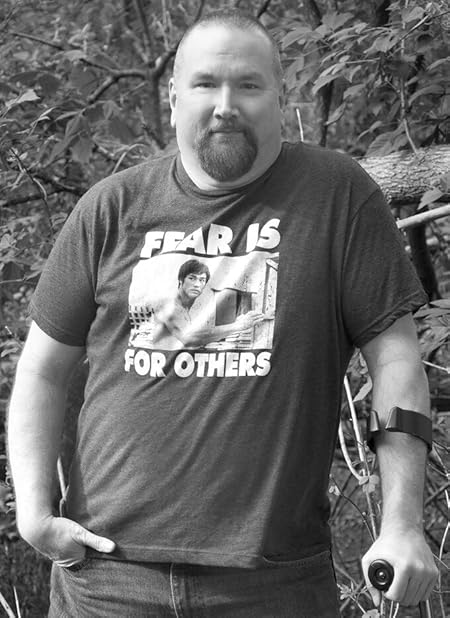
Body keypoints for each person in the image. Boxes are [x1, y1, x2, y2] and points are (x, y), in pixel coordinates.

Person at [7, 8, 438, 617]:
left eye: (249, 85)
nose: (226, 105)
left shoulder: (338, 196)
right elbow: (42, 371)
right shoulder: (111, 209)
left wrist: (402, 524)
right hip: (105, 577)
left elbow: (395, 361)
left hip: (273, 582)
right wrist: (34, 512)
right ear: (175, 98)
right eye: (206, 83)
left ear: (281, 98)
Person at [148, 258, 266, 349]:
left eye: (202, 280)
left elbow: (198, 334)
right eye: (192, 278)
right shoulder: (171, 304)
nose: (197, 284)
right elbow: (189, 338)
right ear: (181, 280)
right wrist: (238, 326)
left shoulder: (186, 306)